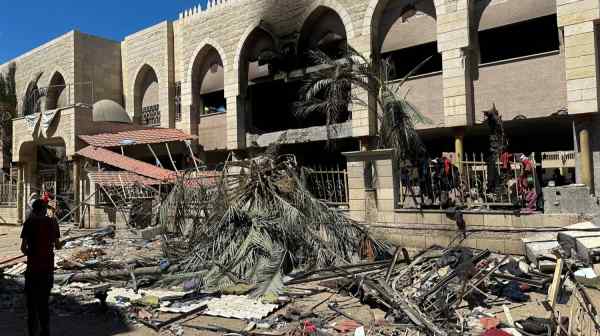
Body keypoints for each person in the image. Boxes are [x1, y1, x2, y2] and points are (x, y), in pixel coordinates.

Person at [20, 199, 61, 336]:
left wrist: (33, 253)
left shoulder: (28, 223)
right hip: (46, 269)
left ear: (33, 209)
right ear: (44, 209)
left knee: (31, 306)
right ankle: (45, 331)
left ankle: (32, 332)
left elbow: (23, 248)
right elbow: (58, 245)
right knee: (43, 304)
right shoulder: (52, 222)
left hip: (32, 269)